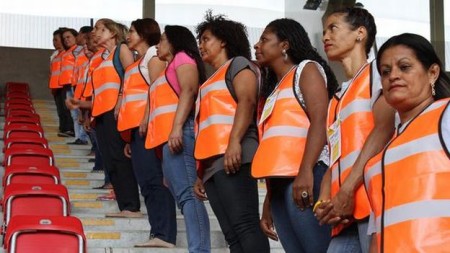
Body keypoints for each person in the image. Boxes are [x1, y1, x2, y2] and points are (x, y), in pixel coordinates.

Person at [252, 18, 338, 252]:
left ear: (284, 45)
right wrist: (269, 200)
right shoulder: (274, 90)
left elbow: (320, 120)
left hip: (305, 176)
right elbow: (275, 149)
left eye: (264, 40)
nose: (256, 45)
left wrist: (306, 171)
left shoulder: (306, 69)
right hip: (280, 185)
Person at [315, 7, 396, 253]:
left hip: (373, 204)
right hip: (344, 212)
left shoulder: (378, 73)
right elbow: (333, 157)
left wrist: (348, 190)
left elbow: (384, 130)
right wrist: (324, 200)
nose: (325, 37)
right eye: (324, 31)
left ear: (360, 33)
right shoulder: (337, 97)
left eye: (333, 28)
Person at [364, 33, 450, 253]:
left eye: (404, 67)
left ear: (432, 73)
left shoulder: (446, 115)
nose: (393, 76)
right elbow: (378, 237)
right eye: (385, 72)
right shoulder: (377, 162)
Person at [193, 12, 270, 253]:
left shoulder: (238, 64)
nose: (201, 45)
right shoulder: (207, 81)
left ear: (223, 40)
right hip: (212, 163)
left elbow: (246, 102)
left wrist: (235, 143)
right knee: (231, 233)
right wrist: (200, 171)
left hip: (234, 154)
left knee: (245, 225)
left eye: (206, 39)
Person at [145, 24, 211, 253]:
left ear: (174, 41)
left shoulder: (183, 58)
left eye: (162, 40)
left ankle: (200, 249)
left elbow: (189, 91)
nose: (158, 45)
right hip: (170, 138)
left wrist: (176, 128)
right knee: (184, 197)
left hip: (180, 134)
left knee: (188, 197)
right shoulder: (168, 67)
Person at [67, 19, 141, 218]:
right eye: (96, 29)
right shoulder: (101, 57)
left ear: (113, 32)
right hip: (101, 114)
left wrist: (119, 99)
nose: (96, 33)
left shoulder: (121, 50)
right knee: (110, 161)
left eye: (101, 29)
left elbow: (133, 77)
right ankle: (124, 205)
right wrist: (81, 104)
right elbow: (101, 93)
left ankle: (132, 206)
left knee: (119, 158)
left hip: (116, 113)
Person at [117, 18, 177, 248]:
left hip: (148, 127)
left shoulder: (153, 54)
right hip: (137, 131)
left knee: (154, 181)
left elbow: (157, 90)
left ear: (144, 33)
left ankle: (164, 234)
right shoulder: (138, 60)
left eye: (132, 31)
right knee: (146, 182)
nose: (128, 35)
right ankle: (158, 232)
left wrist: (145, 119)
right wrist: (129, 136)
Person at [66, 26, 93, 145]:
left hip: (85, 89)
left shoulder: (90, 54)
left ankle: (84, 139)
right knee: (77, 115)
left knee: (85, 116)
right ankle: (80, 137)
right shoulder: (81, 52)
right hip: (78, 87)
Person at [49, 28, 72, 137]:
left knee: (66, 109)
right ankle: (63, 128)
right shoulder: (55, 55)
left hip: (64, 85)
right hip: (56, 87)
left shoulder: (67, 54)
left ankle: (69, 129)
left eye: (57, 39)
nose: (55, 42)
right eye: (53, 40)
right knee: (60, 110)